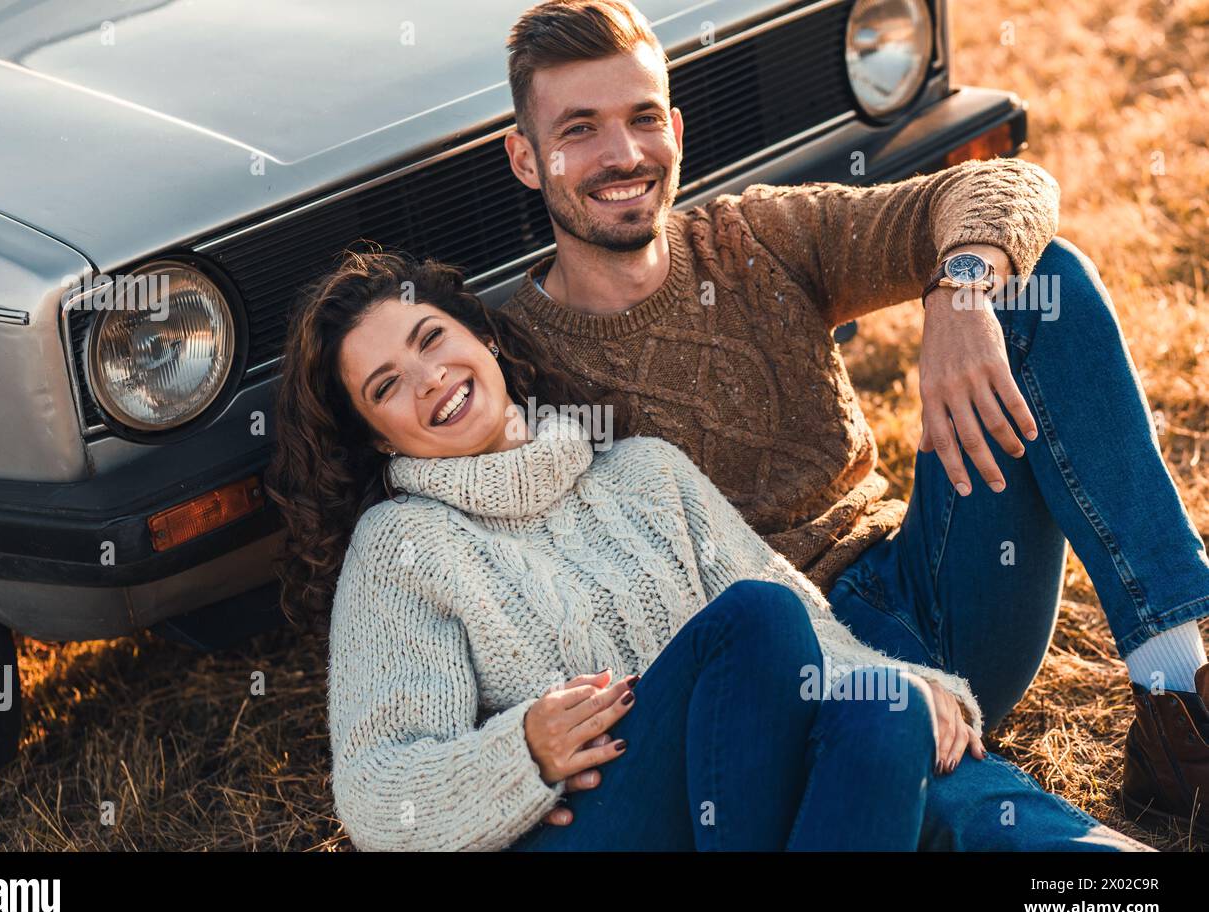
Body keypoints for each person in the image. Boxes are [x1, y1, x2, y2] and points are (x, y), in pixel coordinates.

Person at [495, 0, 1209, 842]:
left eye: (643, 117)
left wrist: (961, 289)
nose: (623, 155)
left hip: (936, 585)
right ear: (526, 158)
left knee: (1040, 283)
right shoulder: (511, 362)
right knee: (944, 792)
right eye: (579, 129)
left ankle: (1181, 706)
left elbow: (1008, 183)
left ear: (677, 129)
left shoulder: (752, 236)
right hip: (785, 669)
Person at [264, 250, 1151, 852]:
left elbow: (800, 611)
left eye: (433, 341)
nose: (429, 381)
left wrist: (916, 680)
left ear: (482, 339)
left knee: (883, 711)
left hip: (741, 785)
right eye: (387, 386)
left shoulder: (645, 473)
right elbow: (380, 795)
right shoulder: (402, 548)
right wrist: (521, 751)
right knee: (755, 624)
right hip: (584, 826)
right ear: (377, 438)